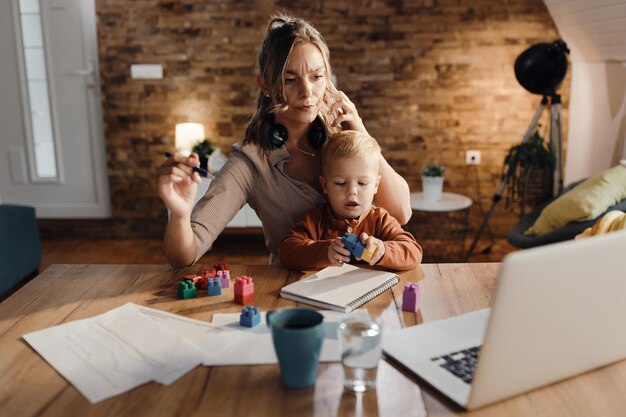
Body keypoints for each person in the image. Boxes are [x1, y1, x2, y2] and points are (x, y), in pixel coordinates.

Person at [156, 14, 412, 268]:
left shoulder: (343, 139)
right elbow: (184, 256)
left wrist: (362, 134)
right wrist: (179, 215)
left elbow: (401, 213)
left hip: (365, 282)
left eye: (316, 77)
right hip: (292, 289)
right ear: (266, 85)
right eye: (290, 80)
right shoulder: (250, 164)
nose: (307, 92)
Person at [279, 131, 422, 271]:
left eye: (362, 183)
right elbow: (286, 251)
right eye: (341, 183)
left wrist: (383, 250)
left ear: (376, 185)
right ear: (325, 185)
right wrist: (324, 251)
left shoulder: (380, 220)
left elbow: (413, 252)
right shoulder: (316, 220)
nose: (352, 191)